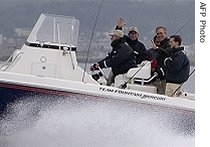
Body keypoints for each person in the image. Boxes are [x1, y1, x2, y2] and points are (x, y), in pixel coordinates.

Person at [152, 26, 172, 94]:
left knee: (163, 93)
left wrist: (157, 49)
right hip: (159, 75)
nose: (159, 35)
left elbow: (167, 53)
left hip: (166, 76)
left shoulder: (169, 43)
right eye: (158, 34)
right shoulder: (161, 44)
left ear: (165, 33)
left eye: (161, 33)